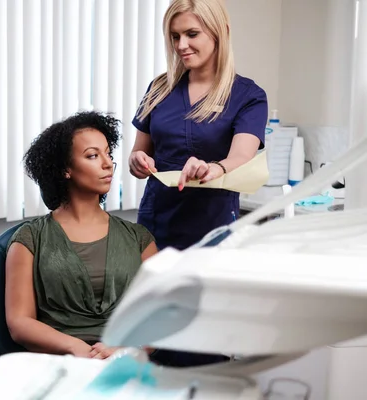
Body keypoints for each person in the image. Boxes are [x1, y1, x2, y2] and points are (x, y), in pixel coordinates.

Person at [127, 0, 268, 366]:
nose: (181, 45)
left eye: (192, 34)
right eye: (175, 36)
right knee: (155, 331)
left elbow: (242, 156)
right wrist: (138, 162)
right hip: (157, 225)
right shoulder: (159, 88)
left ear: (218, 33)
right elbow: (139, 154)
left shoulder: (248, 96)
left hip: (212, 228)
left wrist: (213, 168)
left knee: (204, 335)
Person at [5, 111, 158, 360]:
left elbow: (159, 316)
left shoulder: (139, 239)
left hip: (125, 362)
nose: (108, 163)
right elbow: (19, 323)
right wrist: (76, 348)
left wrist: (126, 350)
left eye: (108, 153)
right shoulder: (29, 240)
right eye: (93, 156)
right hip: (59, 362)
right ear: (66, 169)